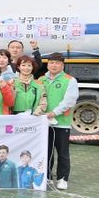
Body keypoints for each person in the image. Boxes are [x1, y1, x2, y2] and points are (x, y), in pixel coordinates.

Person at [40, 53, 79, 190]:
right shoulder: (41, 80)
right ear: (47, 64)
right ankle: (47, 177)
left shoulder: (70, 80)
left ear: (62, 65)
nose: (54, 65)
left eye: (57, 63)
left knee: (62, 152)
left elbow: (69, 101)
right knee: (47, 151)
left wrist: (54, 112)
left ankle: (62, 178)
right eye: (51, 62)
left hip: (61, 122)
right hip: (44, 123)